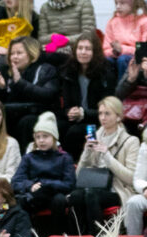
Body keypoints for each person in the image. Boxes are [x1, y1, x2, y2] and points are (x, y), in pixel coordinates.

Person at [71, 96, 139, 232]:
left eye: (107, 113)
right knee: (76, 196)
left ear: (118, 117)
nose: (103, 117)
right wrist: (86, 152)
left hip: (117, 190)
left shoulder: (131, 141)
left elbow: (131, 178)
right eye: (100, 113)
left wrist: (108, 157)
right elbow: (79, 177)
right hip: (94, 186)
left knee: (91, 195)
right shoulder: (96, 137)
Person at [10, 112, 75, 236]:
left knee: (59, 200)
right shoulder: (29, 158)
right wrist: (31, 185)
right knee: (20, 201)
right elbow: (16, 181)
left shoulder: (64, 158)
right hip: (34, 195)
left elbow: (69, 184)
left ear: (54, 137)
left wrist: (45, 184)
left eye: (45, 136)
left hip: (54, 194)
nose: (41, 140)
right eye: (38, 137)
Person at [0, 36, 60, 150]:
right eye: (12, 53)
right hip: (13, 114)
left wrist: (20, 83)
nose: (15, 57)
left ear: (31, 54)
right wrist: (0, 88)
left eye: (19, 53)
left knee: (27, 121)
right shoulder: (5, 71)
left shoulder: (45, 69)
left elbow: (48, 95)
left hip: (37, 114)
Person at [57, 31, 117, 159]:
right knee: (58, 127)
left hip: (97, 121)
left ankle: (73, 164)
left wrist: (84, 113)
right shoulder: (68, 70)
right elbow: (66, 105)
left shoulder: (105, 72)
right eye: (80, 48)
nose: (83, 52)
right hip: (76, 119)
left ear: (95, 52)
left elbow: (108, 109)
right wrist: (69, 111)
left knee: (75, 132)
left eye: (88, 49)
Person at [104, 0, 147, 75]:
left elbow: (143, 50)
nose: (118, 7)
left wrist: (122, 49)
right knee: (106, 61)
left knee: (122, 59)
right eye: (116, 3)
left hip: (137, 59)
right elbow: (105, 49)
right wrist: (114, 52)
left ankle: (124, 86)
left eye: (122, 3)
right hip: (116, 56)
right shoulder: (112, 22)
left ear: (133, 3)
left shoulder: (146, 21)